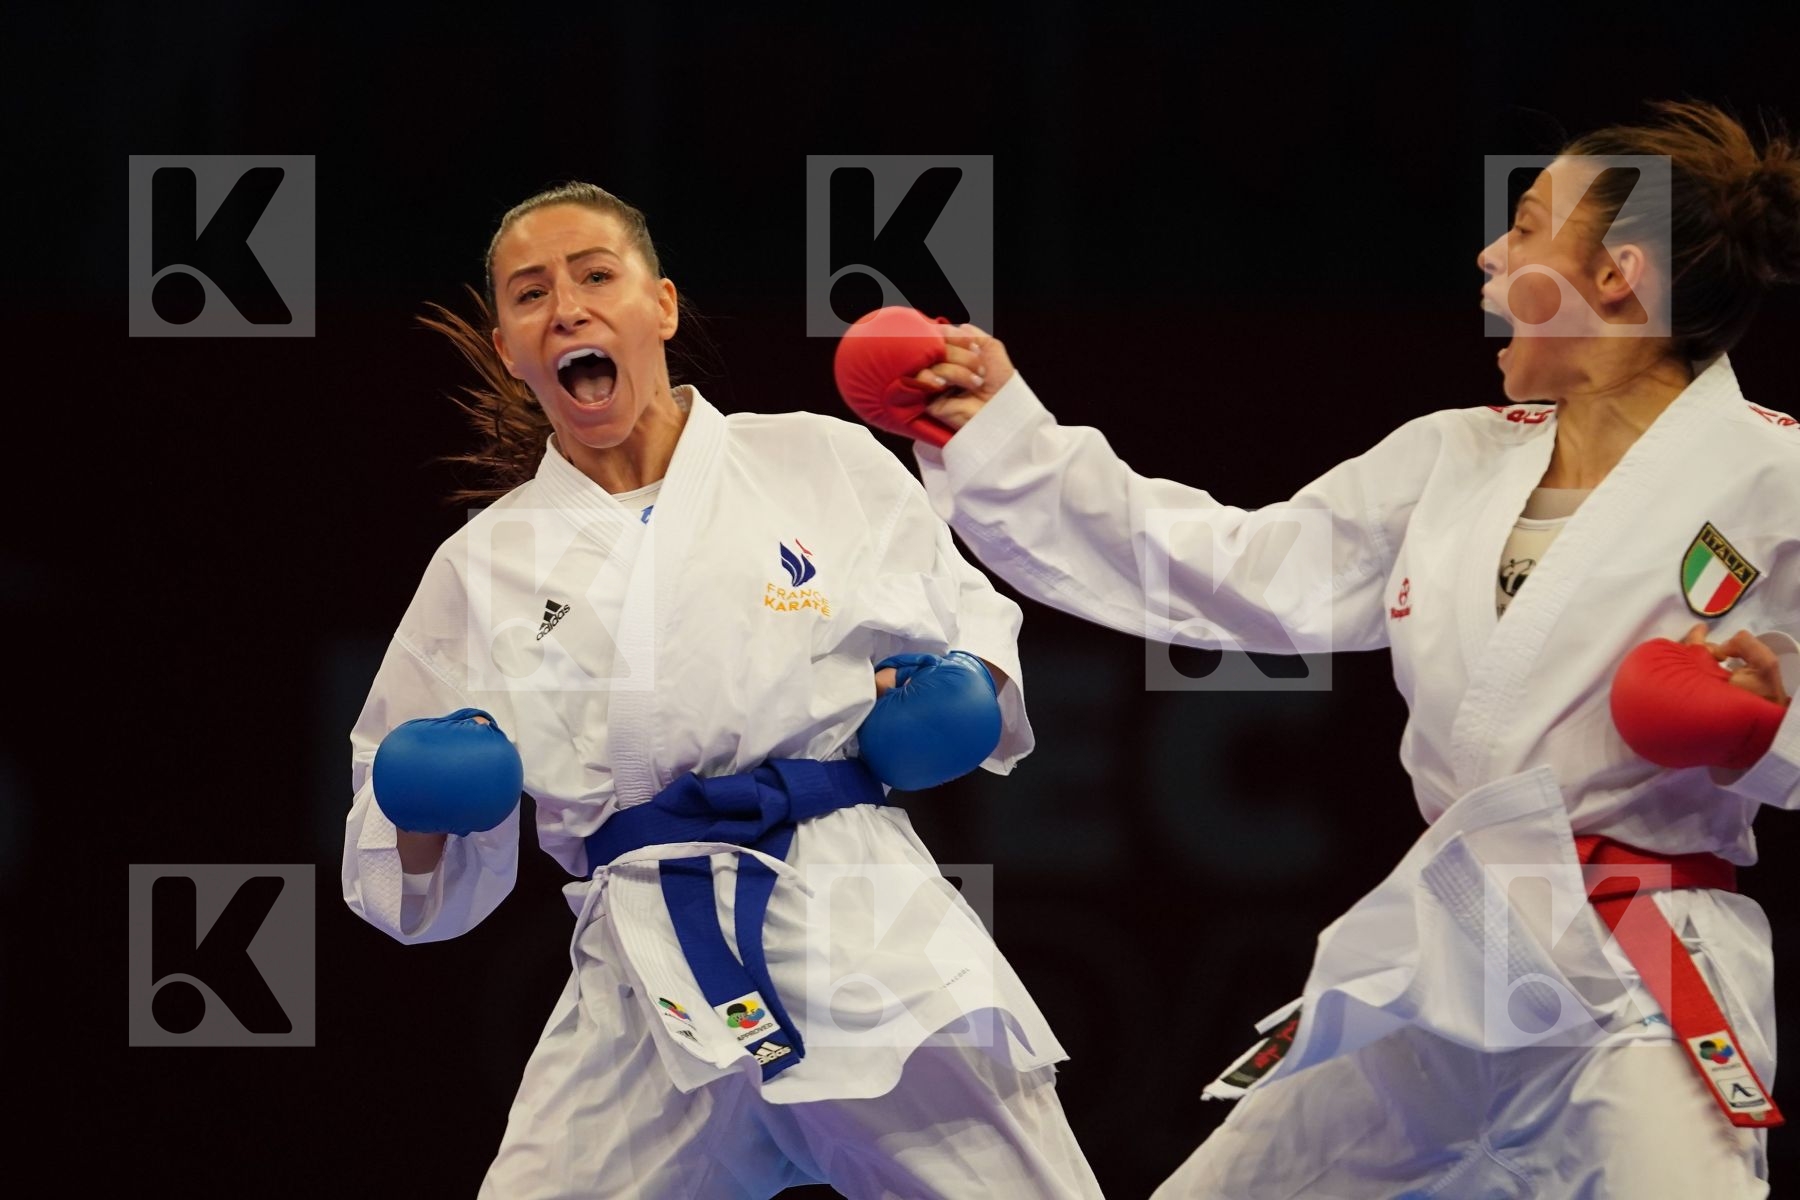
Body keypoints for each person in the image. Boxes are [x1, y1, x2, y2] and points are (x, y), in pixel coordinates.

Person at [847, 101, 1800, 1195]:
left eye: (1530, 228)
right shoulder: (1455, 459)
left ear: (1619, 276)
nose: (1493, 255)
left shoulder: (1772, 479)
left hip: (1643, 966)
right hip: (1459, 943)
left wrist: (1767, 731)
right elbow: (1235, 567)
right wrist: (998, 434)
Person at [340, 181, 1103, 1199]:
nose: (566, 306)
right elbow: (405, 877)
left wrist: (964, 689)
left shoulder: (814, 459)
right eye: (531, 294)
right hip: (645, 969)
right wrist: (426, 802)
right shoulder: (485, 564)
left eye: (595, 275)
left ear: (660, 306)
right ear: (510, 347)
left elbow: (970, 628)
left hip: (856, 916)